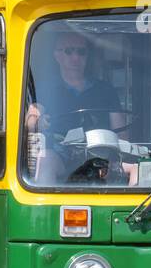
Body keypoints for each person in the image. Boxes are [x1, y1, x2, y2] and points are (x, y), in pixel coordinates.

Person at [25, 31, 134, 184]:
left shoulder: (106, 89)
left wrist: (122, 157)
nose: (75, 57)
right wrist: (38, 123)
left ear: (87, 56)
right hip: (62, 154)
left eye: (81, 52)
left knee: (137, 169)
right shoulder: (46, 89)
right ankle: (43, 207)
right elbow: (31, 119)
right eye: (69, 51)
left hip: (100, 153)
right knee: (45, 160)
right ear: (57, 56)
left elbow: (121, 132)